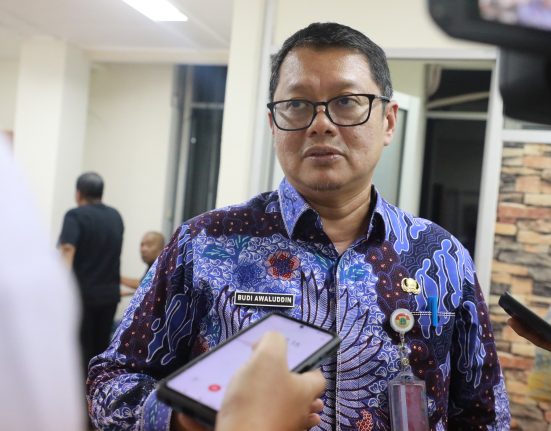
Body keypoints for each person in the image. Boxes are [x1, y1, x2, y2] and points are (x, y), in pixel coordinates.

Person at [88, 22, 510, 430]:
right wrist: (187, 419)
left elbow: (483, 412)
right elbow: (111, 382)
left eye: (347, 101)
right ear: (273, 123)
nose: (321, 123)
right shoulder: (203, 244)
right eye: (297, 104)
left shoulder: (441, 256)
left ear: (388, 121)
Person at [59, 172, 124, 377]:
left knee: (80, 353)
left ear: (78, 193)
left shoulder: (75, 216)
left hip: (83, 296)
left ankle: (79, 395)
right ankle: (96, 392)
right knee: (100, 352)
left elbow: (67, 249)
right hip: (109, 297)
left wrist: (60, 287)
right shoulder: (115, 216)